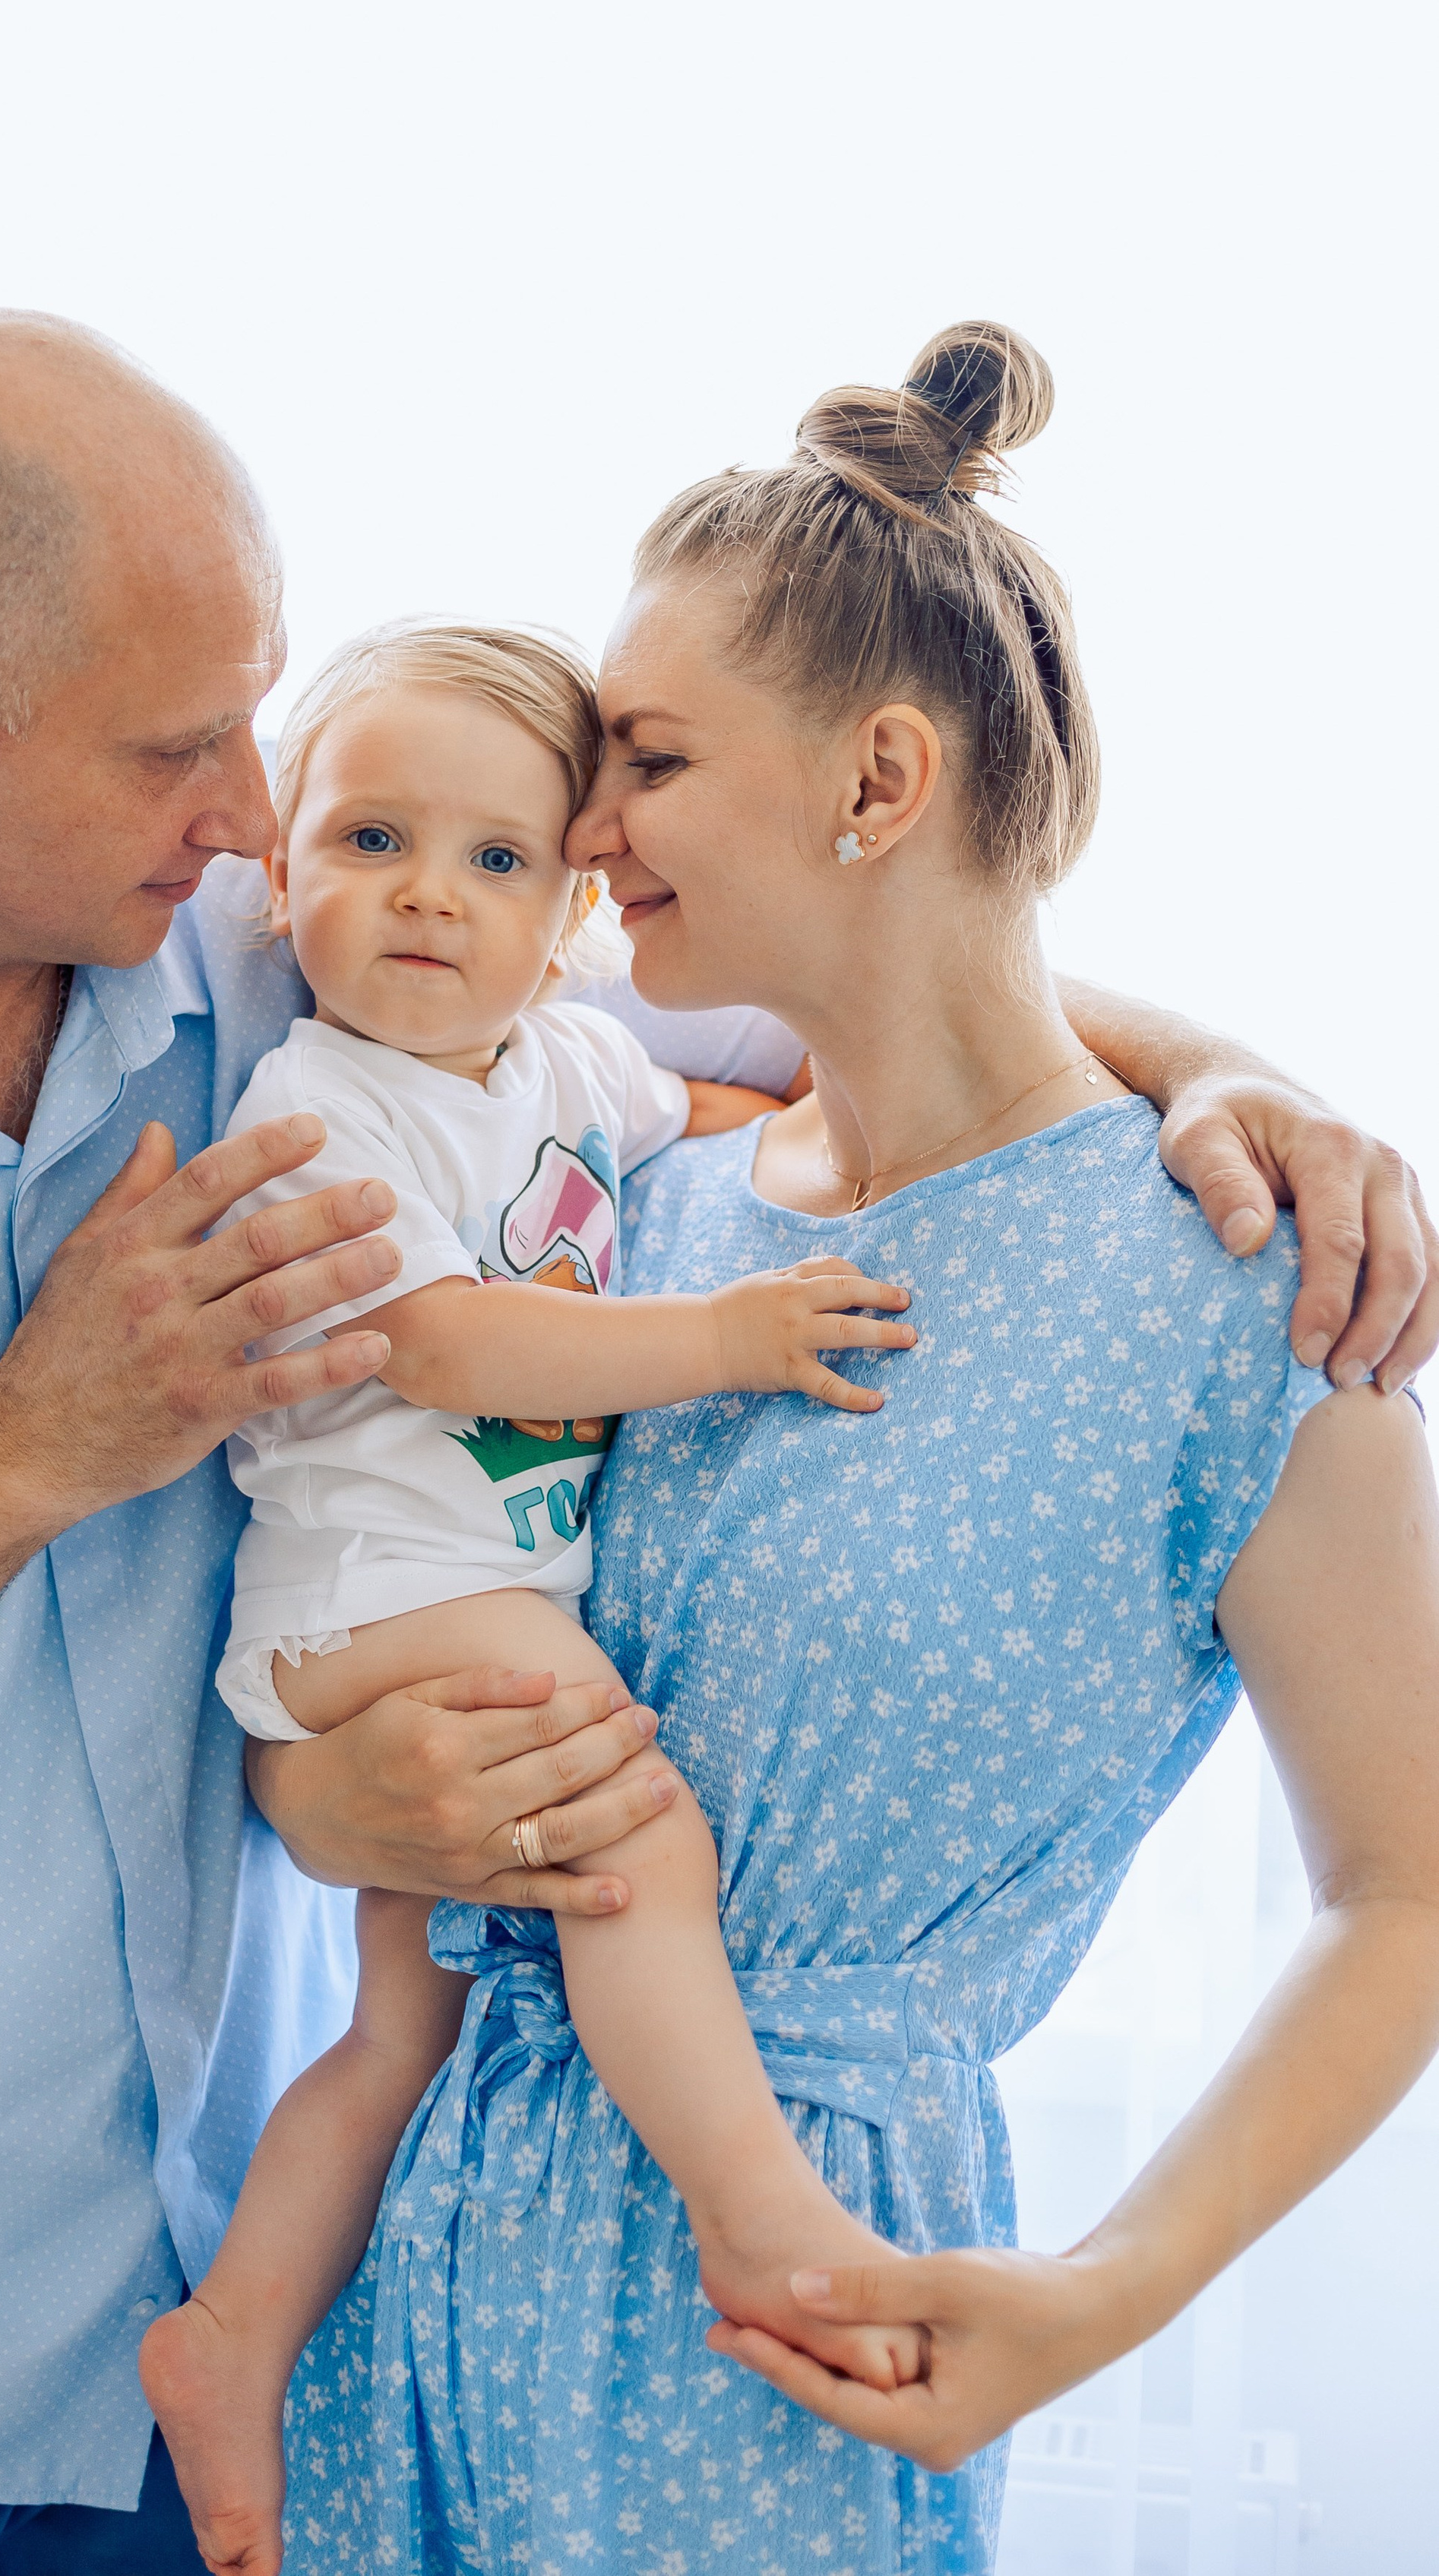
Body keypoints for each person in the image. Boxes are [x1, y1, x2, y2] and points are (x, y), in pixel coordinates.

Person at [0, 309, 1428, 2573]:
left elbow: (841, 971)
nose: (250, 809)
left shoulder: (279, 946)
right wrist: (30, 1448)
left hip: (283, 2302)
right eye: (183, 748)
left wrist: (1235, 1079)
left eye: (263, 724)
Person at [271, 322, 1439, 2575]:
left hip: (786, 2335)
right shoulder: (635, 1199)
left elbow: (1411, 1887)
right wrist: (315, 1794)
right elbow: (388, 1559)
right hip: (419, 2282)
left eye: (651, 759)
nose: (583, 834)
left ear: (876, 785)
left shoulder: (1246, 1292)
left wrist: (1104, 2296)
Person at [139, 620, 925, 2574]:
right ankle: (755, 2207)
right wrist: (726, 1335)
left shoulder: (573, 1056)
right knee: (627, 1831)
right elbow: (439, 1343)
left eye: (494, 861)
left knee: (398, 2029)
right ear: (281, 872)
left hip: (456, 1587)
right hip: (377, 1590)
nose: (427, 892)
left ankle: (232, 2339)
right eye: (370, 839)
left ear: (572, 905)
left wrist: (867, 1156)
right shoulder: (311, 1104)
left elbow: (743, 1117)